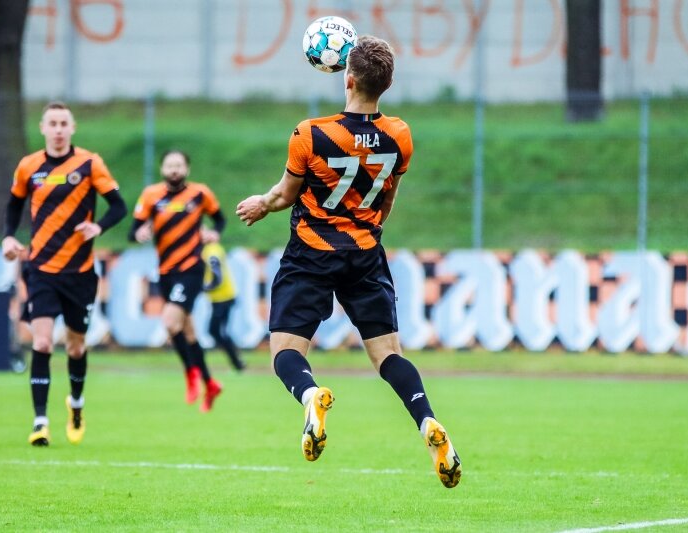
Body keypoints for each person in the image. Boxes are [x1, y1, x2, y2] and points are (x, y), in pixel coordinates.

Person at [236, 36, 461, 488]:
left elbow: (284, 195)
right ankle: (426, 421)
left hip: (311, 253)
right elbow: (387, 199)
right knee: (387, 355)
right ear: (387, 84)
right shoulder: (400, 135)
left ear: (348, 79)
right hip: (365, 253)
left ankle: (310, 395)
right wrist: (366, 232)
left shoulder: (310, 133)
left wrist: (261, 204)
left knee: (285, 351)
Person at [2, 101, 128, 447]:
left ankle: (76, 404)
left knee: (75, 347)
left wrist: (98, 227)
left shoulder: (89, 163)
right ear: (43, 128)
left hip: (80, 273)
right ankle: (40, 422)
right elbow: (13, 204)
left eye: (63, 123)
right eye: (52, 123)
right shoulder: (29, 166)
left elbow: (119, 206)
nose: (58, 129)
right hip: (40, 268)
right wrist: (9, 236)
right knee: (42, 342)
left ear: (72, 128)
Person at [129, 150, 224, 412]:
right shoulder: (151, 195)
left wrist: (214, 233)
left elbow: (220, 219)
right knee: (188, 331)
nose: (174, 169)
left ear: (187, 169)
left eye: (179, 165)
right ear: (162, 169)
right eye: (170, 165)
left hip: (191, 268)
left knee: (171, 323)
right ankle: (210, 383)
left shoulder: (200, 193)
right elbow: (133, 230)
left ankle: (191, 373)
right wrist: (140, 233)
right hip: (166, 272)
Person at [201, 236, 246, 371]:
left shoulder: (211, 251)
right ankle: (237, 361)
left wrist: (204, 287)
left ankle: (237, 361)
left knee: (216, 330)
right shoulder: (214, 248)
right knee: (218, 331)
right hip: (222, 298)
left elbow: (217, 277)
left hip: (223, 298)